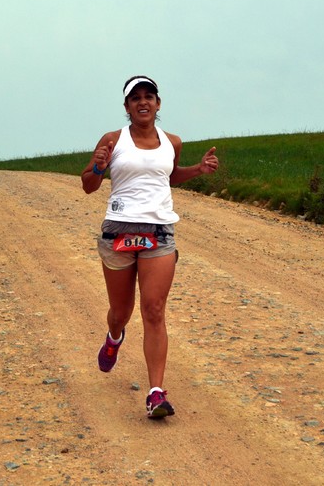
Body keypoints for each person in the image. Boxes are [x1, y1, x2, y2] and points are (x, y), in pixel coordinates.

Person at [81, 75, 219, 419]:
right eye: (135, 98)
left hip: (159, 231)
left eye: (149, 97)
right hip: (119, 231)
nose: (143, 102)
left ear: (158, 104)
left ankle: (156, 393)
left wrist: (198, 170)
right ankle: (114, 337)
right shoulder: (113, 140)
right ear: (127, 107)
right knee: (121, 311)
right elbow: (88, 186)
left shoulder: (172, 142)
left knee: (154, 310)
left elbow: (168, 176)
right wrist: (98, 165)